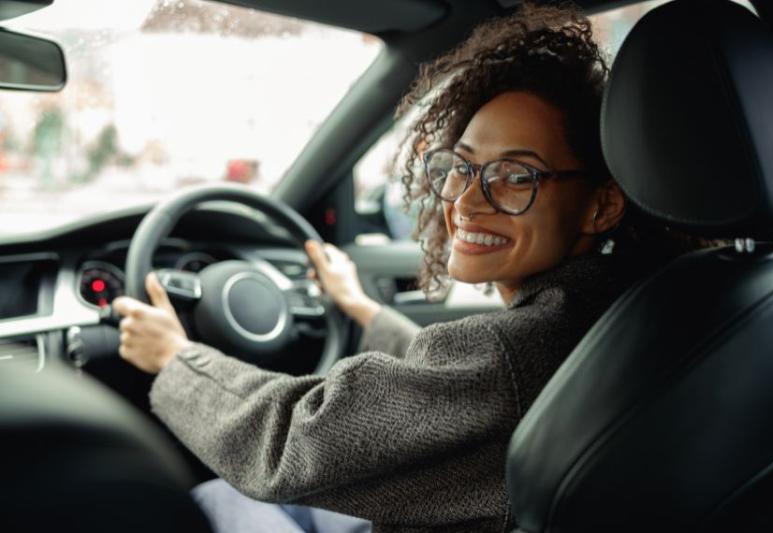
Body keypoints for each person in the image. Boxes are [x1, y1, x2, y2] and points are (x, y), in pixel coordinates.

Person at [112, 4, 663, 532]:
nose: (467, 201)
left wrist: (176, 359)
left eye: (516, 176)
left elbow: (291, 445)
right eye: (462, 167)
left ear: (601, 205)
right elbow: (453, 391)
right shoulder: (631, 308)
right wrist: (363, 310)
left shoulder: (514, 354)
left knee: (217, 501)